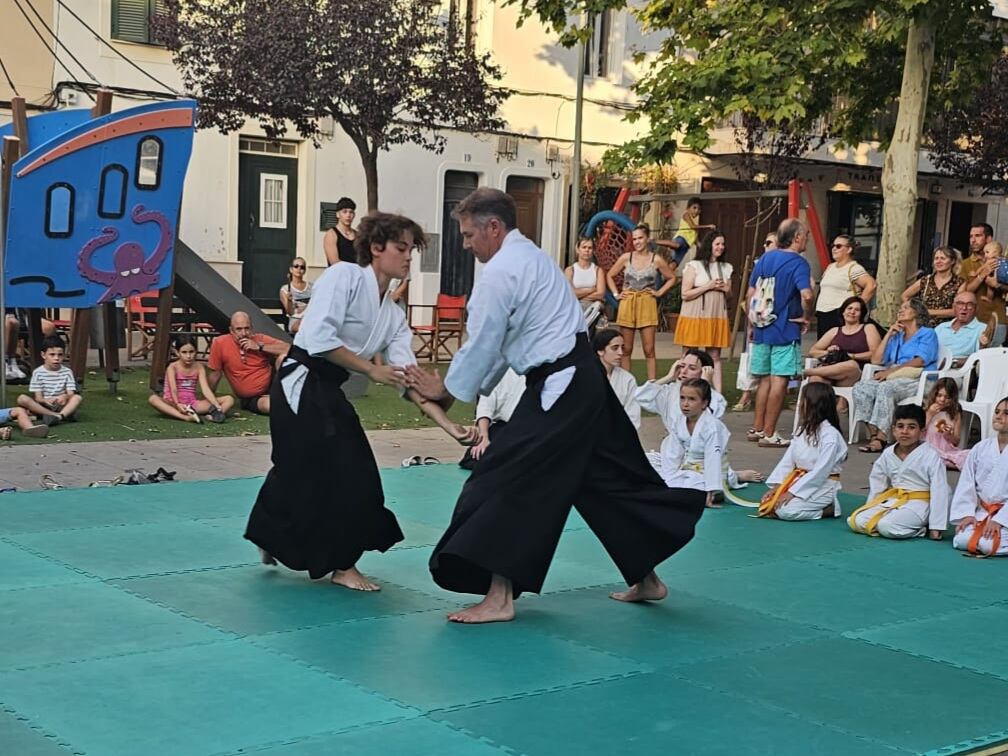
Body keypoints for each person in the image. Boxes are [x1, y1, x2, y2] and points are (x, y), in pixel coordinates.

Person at [408, 187, 705, 623]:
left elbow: (485, 342)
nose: (467, 244)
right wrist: (457, 390)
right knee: (601, 477)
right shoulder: (531, 257)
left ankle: (500, 596)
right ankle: (646, 578)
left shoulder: (502, 272)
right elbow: (505, 346)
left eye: (470, 234)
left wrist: (447, 392)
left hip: (563, 386)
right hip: (580, 379)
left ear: (494, 227)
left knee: (502, 472)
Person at [246, 212, 478, 591]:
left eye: (411, 251)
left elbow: (406, 379)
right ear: (375, 248)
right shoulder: (345, 277)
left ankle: (269, 533)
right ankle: (343, 565)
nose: (408, 258)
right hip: (299, 380)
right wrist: (371, 370)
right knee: (342, 469)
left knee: (313, 470)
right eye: (402, 249)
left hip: (327, 388)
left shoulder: (392, 314)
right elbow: (317, 339)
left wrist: (449, 425)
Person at [746, 218, 814, 448]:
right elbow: (806, 294)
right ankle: (770, 432)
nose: (808, 238)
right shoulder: (799, 263)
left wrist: (752, 322)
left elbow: (751, 292)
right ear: (796, 238)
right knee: (780, 381)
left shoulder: (766, 257)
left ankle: (757, 428)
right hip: (785, 328)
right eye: (805, 234)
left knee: (764, 379)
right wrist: (807, 316)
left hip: (762, 326)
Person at [848, 404, 950, 540]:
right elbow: (877, 483)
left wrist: (936, 526)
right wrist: (871, 506)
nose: (905, 431)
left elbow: (940, 490)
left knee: (887, 526)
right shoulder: (888, 453)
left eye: (911, 427)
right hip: (895, 499)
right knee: (857, 521)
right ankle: (896, 521)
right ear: (894, 430)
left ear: (922, 431)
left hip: (920, 504)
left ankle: (920, 529)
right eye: (900, 426)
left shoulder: (931, 455)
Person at [853, 298, 938, 453]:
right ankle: (873, 434)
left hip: (918, 379)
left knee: (886, 388)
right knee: (861, 387)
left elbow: (920, 360)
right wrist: (889, 335)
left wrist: (890, 372)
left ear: (917, 313)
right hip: (894, 378)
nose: (900, 310)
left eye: (906, 307)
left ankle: (882, 437)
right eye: (901, 307)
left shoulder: (927, 333)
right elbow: (876, 360)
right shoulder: (898, 335)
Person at [757, 382, 847, 521]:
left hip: (822, 486)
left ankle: (829, 509)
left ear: (814, 404)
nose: (799, 405)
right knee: (769, 504)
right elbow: (788, 461)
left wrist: (793, 492)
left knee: (786, 511)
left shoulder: (830, 436)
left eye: (803, 401)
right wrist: (778, 486)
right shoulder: (802, 430)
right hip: (799, 480)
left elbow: (821, 471)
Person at [607, 223, 679, 381]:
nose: (637, 242)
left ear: (647, 239)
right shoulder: (627, 257)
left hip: (647, 304)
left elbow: (672, 278)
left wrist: (659, 292)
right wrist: (616, 294)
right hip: (628, 303)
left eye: (640, 238)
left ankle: (652, 384)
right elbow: (609, 275)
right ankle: (625, 384)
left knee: (649, 348)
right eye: (634, 239)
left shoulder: (656, 259)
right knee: (626, 348)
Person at [645, 378, 726, 509]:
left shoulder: (712, 427)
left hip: (706, 474)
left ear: (704, 403)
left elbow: (713, 458)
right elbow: (673, 453)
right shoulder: (680, 422)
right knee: (657, 480)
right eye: (682, 398)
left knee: (691, 489)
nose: (685, 404)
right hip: (686, 470)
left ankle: (709, 492)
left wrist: (711, 490)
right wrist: (668, 477)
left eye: (692, 399)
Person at [673, 229, 732, 392]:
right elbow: (685, 294)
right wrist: (708, 286)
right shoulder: (694, 265)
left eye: (722, 244)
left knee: (715, 356)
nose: (721, 247)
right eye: (717, 244)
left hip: (715, 316)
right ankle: (680, 388)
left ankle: (718, 393)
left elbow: (729, 296)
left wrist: (727, 289)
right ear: (709, 245)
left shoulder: (726, 267)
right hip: (694, 315)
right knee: (688, 355)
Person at [950, 395, 1008, 557]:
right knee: (961, 540)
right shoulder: (981, 448)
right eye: (997, 411)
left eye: (1006, 413)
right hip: (983, 512)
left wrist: (1001, 520)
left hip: (1004, 514)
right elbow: (966, 482)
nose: (998, 416)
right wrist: (967, 513)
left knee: (987, 545)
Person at [803, 296, 880, 411]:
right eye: (849, 308)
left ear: (861, 314)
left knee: (851, 364)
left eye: (857, 310)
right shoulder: (835, 331)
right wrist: (828, 351)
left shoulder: (868, 328)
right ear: (843, 312)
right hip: (832, 373)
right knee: (815, 380)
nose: (852, 312)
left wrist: (851, 356)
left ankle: (805, 372)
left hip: (855, 374)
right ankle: (816, 421)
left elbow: (875, 354)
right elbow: (813, 351)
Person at [207, 312, 289, 416]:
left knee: (284, 357)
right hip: (253, 397)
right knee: (271, 406)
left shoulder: (260, 339)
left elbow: (290, 348)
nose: (244, 333)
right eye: (239, 329)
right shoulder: (220, 343)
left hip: (274, 386)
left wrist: (259, 347)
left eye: (247, 328)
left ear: (252, 328)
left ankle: (287, 396)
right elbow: (215, 374)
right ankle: (285, 401)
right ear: (231, 330)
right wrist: (209, 398)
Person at [734, 232, 777, 411]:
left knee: (771, 364)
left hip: (774, 320)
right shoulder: (759, 265)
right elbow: (750, 294)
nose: (765, 246)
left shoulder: (786, 265)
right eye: (765, 243)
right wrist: (751, 320)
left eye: (769, 243)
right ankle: (746, 394)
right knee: (750, 357)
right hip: (757, 318)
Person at [149, 336, 234, 424]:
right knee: (153, 399)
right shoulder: (172, 367)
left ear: (195, 351)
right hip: (173, 403)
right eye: (184, 352)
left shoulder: (199, 367)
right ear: (177, 353)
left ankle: (215, 416)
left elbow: (205, 389)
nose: (188, 356)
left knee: (229, 399)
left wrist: (217, 406)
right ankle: (186, 417)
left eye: (191, 352)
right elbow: (173, 389)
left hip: (192, 404)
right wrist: (178, 404)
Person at [459, 367, 525, 471]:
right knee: (474, 456)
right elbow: (485, 407)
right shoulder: (499, 372)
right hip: (504, 427)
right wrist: (483, 437)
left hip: (531, 426)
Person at [814, 234, 877, 338]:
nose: (834, 249)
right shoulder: (831, 267)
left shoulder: (853, 268)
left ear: (849, 249)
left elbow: (871, 285)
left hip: (839, 314)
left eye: (838, 246)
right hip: (823, 314)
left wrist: (857, 306)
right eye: (833, 246)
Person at [16, 335, 82, 426]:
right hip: (44, 405)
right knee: (22, 398)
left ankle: (59, 416)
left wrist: (64, 396)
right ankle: (56, 415)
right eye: (52, 354)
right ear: (43, 355)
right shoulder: (38, 373)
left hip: (61, 404)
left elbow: (71, 393)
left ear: (64, 355)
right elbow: (38, 398)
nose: (56, 358)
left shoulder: (67, 372)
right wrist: (45, 401)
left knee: (77, 398)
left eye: (60, 355)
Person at [901, 246, 962, 324]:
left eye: (943, 258)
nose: (938, 261)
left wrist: (927, 312)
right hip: (923, 326)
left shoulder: (959, 283)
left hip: (945, 328)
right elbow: (905, 295)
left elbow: (956, 311)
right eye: (936, 258)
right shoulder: (926, 280)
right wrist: (913, 310)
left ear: (952, 261)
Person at [593, 328, 640, 429]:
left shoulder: (627, 379)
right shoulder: (587, 378)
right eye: (615, 348)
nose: (621, 353)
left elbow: (633, 417)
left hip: (619, 436)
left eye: (622, 348)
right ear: (600, 351)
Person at [924, 377, 968, 470]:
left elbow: (956, 441)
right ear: (934, 395)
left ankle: (944, 462)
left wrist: (949, 435)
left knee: (968, 455)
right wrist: (929, 414)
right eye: (939, 395)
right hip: (928, 448)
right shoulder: (927, 409)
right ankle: (946, 463)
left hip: (947, 450)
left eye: (947, 397)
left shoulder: (955, 414)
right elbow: (919, 432)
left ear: (953, 399)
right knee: (929, 455)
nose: (942, 399)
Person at [934, 291, 987, 368]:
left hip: (959, 373)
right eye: (960, 303)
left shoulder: (982, 328)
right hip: (932, 369)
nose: (964, 308)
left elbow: (979, 358)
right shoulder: (941, 327)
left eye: (969, 304)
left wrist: (951, 363)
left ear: (976, 308)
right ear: (954, 307)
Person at [961, 240, 1007, 326]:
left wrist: (998, 285)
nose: (973, 240)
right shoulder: (965, 264)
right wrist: (980, 275)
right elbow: (965, 291)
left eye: (978, 236)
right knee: (989, 287)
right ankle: (989, 297)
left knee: (991, 287)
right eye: (971, 236)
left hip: (998, 316)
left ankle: (989, 297)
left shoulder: (1003, 261)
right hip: (977, 317)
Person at [565, 236, 606, 330]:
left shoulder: (598, 270)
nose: (587, 250)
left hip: (594, 310)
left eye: (590, 248)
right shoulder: (570, 270)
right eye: (584, 247)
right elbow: (569, 293)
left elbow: (600, 294)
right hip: (575, 311)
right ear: (578, 249)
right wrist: (591, 289)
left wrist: (578, 294)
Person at [669, 197, 712, 261]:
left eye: (699, 209)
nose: (697, 211)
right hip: (681, 239)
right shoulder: (686, 215)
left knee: (674, 264)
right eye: (694, 208)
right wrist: (708, 226)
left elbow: (697, 243)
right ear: (688, 208)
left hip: (685, 247)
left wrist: (707, 252)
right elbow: (692, 226)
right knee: (677, 245)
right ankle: (658, 242)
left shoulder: (695, 230)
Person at [280, 257, 313, 334]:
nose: (299, 269)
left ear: (304, 271)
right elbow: (291, 312)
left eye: (302, 267)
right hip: (296, 320)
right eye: (296, 266)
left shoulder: (312, 287)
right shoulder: (285, 289)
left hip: (311, 318)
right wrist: (289, 300)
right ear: (291, 269)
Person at [323, 197, 358, 265]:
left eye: (351, 212)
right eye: (344, 212)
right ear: (338, 214)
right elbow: (335, 263)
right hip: (338, 274)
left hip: (356, 274)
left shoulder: (358, 235)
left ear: (354, 215)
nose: (348, 215)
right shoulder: (331, 234)